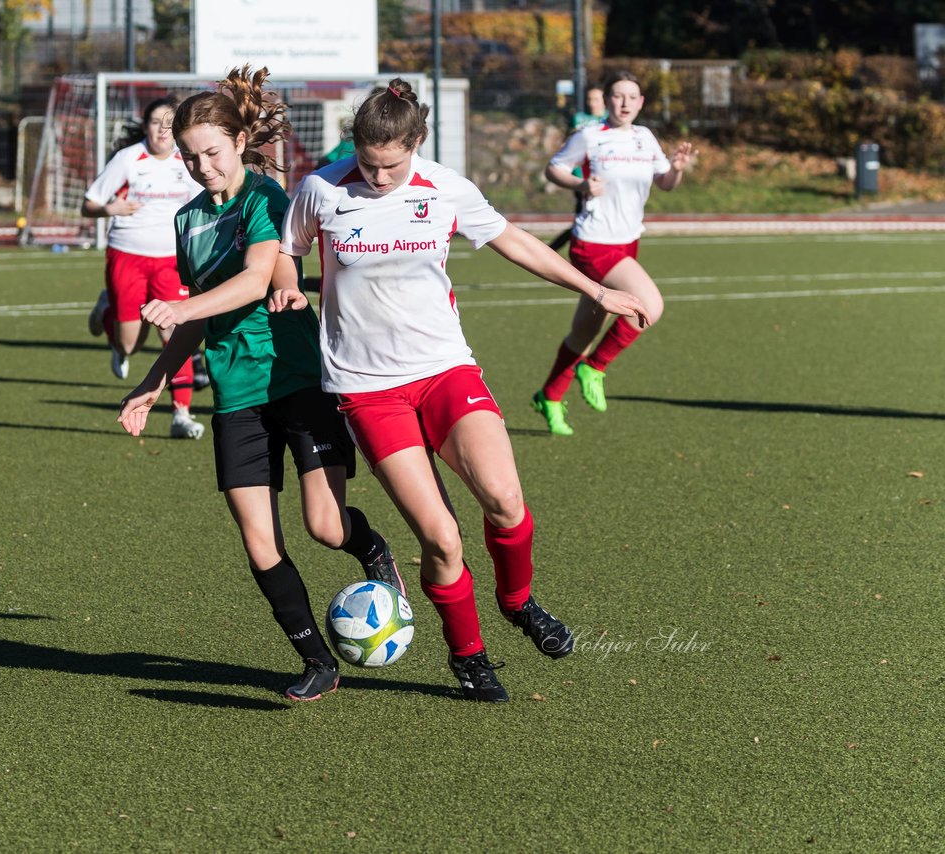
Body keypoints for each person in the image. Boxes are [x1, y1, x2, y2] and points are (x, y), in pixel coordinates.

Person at [275, 79, 650, 702]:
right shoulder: (322, 190)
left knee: (504, 499)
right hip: (368, 390)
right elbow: (287, 251)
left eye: (391, 163)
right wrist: (287, 285)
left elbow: (513, 241)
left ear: (416, 143)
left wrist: (596, 291)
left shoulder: (447, 187)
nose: (378, 175)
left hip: (446, 370)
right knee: (441, 538)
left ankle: (518, 601)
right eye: (367, 163)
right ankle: (469, 657)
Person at [117, 66, 405, 702]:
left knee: (326, 527)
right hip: (236, 396)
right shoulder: (187, 219)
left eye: (212, 153)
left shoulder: (267, 199)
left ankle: (375, 550)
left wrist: (184, 308)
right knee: (258, 539)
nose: (202, 168)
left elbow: (253, 280)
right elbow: (200, 314)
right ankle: (317, 661)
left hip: (297, 380)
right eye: (191, 158)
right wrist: (154, 381)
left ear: (240, 143)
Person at [533, 70, 697, 436]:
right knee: (649, 306)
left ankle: (550, 395)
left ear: (641, 103)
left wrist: (677, 170)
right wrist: (581, 184)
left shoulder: (645, 138)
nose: (625, 103)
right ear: (606, 100)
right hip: (593, 243)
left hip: (626, 243)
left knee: (584, 330)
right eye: (618, 96)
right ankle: (595, 368)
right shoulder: (590, 136)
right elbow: (554, 168)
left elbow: (665, 183)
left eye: (632, 97)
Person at [81, 97, 206, 440]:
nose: (162, 130)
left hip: (172, 261)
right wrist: (111, 208)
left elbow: (210, 198)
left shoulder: (189, 159)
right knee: (129, 344)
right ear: (145, 125)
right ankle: (108, 310)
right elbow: (88, 205)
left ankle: (181, 414)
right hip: (128, 256)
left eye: (169, 123)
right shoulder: (128, 159)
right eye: (155, 122)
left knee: (176, 335)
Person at [548, 86, 607, 253]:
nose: (592, 103)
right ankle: (552, 251)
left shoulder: (611, 120)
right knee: (584, 217)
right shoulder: (579, 119)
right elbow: (568, 144)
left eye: (596, 99)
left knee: (587, 218)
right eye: (589, 99)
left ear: (605, 101)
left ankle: (552, 251)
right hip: (581, 176)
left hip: (603, 177)